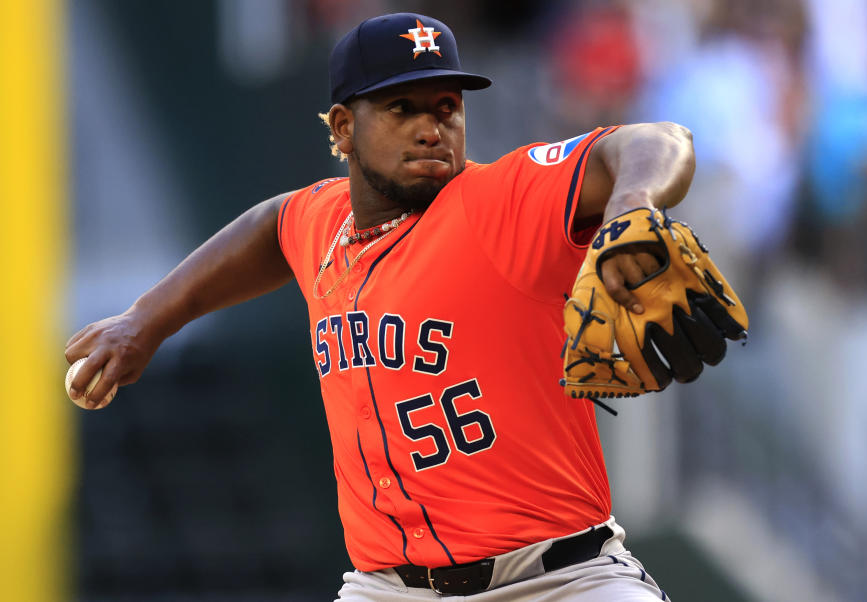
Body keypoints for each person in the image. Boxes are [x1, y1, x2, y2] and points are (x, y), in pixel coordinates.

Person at [66, 13, 698, 600]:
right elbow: (268, 226)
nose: (432, 127)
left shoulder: (499, 201)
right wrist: (145, 320)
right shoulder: (321, 221)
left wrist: (633, 203)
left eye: (447, 109)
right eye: (402, 108)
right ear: (343, 127)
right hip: (391, 588)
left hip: (559, 579)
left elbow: (655, 140)